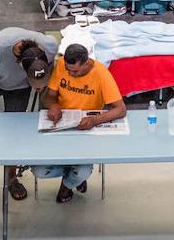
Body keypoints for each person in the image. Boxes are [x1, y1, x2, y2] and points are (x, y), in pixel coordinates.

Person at [0, 28, 59, 201]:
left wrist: (42, 85)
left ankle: (11, 178)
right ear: (19, 64)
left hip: (19, 88)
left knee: (14, 133)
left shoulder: (49, 45)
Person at [37, 44, 127, 203]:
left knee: (83, 171)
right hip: (60, 125)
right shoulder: (61, 65)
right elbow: (49, 97)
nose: (70, 74)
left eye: (75, 71)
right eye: (68, 69)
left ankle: (67, 185)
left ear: (87, 63)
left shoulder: (101, 74)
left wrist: (94, 120)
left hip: (87, 128)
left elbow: (120, 110)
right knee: (39, 170)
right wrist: (53, 105)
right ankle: (73, 176)